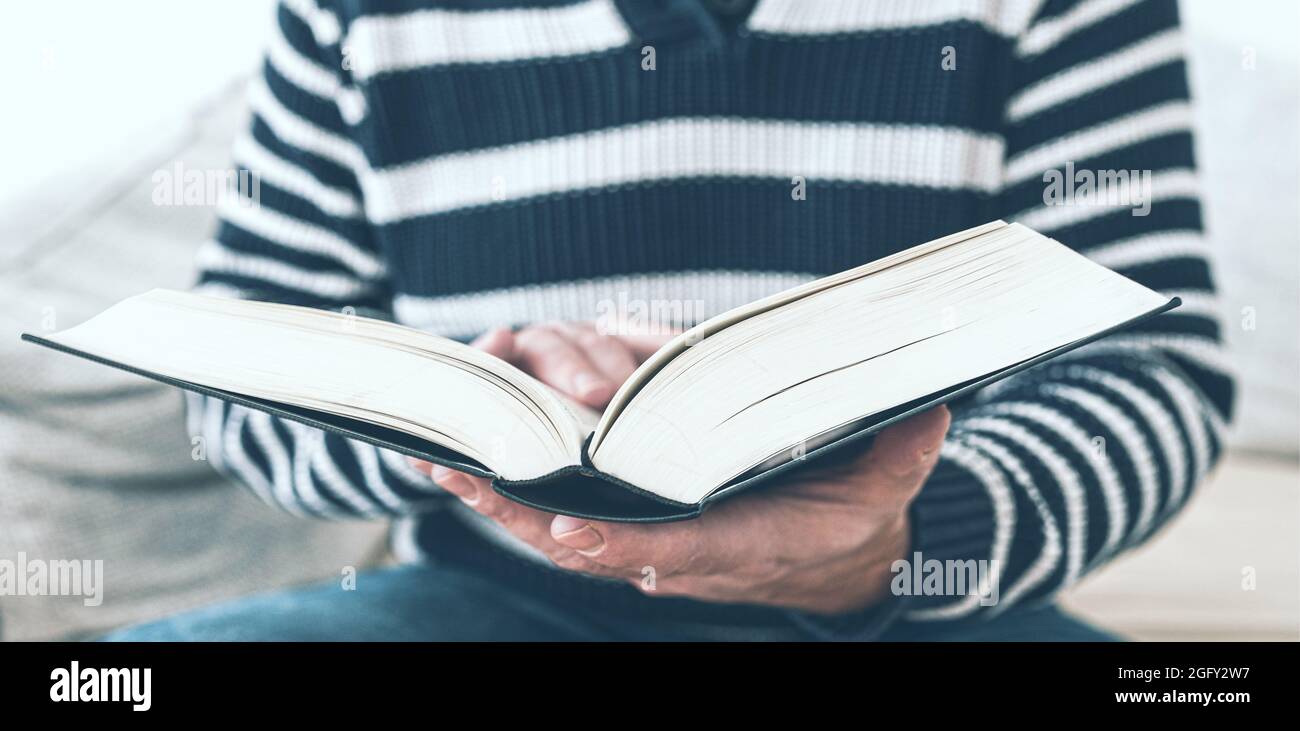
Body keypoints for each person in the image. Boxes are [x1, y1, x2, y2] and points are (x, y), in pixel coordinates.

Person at [107, 0, 1233, 641]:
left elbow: (1149, 373)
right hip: (482, 600)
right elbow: (234, 377)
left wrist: (893, 547)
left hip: (932, 602)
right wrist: (462, 414)